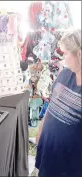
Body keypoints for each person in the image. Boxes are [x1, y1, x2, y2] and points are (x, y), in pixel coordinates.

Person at [35, 29, 82, 176]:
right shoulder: (65, 73)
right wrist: (41, 127)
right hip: (49, 152)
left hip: (70, 164)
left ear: (79, 54)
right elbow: (52, 103)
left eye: (66, 53)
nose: (63, 58)